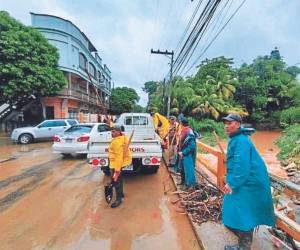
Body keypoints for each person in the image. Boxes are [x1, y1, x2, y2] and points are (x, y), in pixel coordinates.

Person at [221, 114, 275, 250]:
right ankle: (242, 241)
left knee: (244, 213)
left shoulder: (241, 141)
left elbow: (241, 167)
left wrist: (231, 183)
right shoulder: (237, 138)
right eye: (225, 123)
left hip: (248, 183)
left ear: (238, 124)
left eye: (230, 123)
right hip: (244, 182)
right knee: (238, 209)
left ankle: (244, 247)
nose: (226, 126)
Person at [108, 125, 132, 208]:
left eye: (114, 131)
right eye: (112, 131)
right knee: (119, 179)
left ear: (119, 132)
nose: (112, 133)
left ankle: (118, 200)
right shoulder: (122, 137)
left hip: (116, 164)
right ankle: (121, 194)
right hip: (119, 162)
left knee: (116, 181)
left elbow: (118, 156)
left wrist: (117, 170)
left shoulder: (117, 142)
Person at [177, 117, 196, 190]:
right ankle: (183, 182)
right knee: (182, 169)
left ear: (181, 123)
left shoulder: (189, 132)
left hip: (187, 155)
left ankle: (190, 185)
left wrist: (183, 153)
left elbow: (192, 146)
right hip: (182, 154)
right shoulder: (184, 130)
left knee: (188, 170)